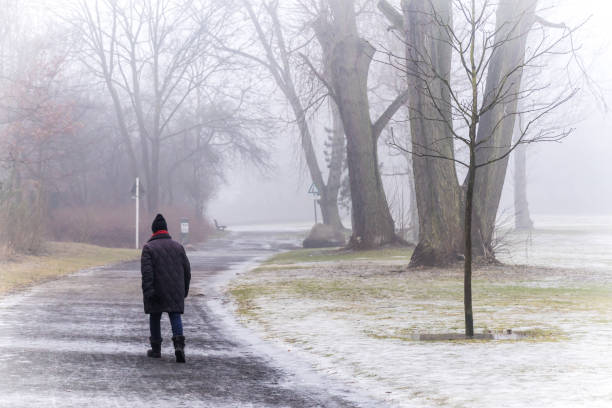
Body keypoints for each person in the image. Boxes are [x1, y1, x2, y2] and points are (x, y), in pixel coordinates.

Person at [141, 213, 191, 363]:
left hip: (156, 290)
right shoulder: (178, 247)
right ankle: (179, 347)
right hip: (176, 288)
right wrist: (185, 290)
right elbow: (187, 271)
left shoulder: (148, 248)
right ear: (166, 230)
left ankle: (156, 350)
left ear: (153, 231)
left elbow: (147, 273)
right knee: (175, 315)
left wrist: (149, 291)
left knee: (155, 316)